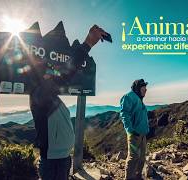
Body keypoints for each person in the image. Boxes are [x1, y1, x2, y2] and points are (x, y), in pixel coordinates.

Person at [29, 25, 107, 180]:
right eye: (48, 71)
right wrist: (88, 44)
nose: (51, 74)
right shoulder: (40, 95)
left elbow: (64, 73)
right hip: (52, 162)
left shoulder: (49, 97)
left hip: (62, 159)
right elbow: (67, 72)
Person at [120, 79, 149, 180]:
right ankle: (129, 178)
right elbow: (124, 114)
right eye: (143, 88)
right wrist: (130, 130)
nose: (146, 90)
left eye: (146, 88)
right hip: (134, 134)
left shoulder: (138, 98)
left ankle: (138, 176)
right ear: (138, 88)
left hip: (142, 133)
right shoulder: (128, 97)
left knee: (142, 157)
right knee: (133, 157)